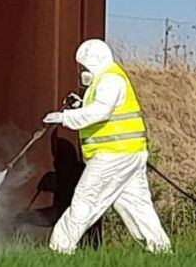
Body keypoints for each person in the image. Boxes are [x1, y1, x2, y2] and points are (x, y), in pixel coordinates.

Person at [42, 39, 171, 254]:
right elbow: (99, 109)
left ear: (94, 62)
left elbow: (100, 112)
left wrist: (65, 117)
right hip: (128, 154)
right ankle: (161, 250)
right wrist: (80, 105)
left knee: (86, 199)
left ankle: (60, 248)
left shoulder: (110, 80)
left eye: (84, 66)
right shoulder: (107, 79)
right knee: (137, 207)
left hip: (113, 156)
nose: (82, 71)